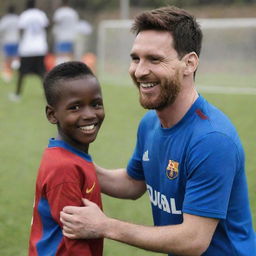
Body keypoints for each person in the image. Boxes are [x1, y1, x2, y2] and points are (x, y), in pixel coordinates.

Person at [60, 6, 256, 256]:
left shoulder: (212, 139)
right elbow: (134, 183)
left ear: (189, 63)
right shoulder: (150, 123)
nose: (139, 71)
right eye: (135, 58)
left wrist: (105, 226)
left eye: (155, 59)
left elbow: (193, 240)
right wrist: (74, 163)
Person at [28, 61, 105, 255]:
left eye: (96, 104)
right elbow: (75, 237)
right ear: (52, 115)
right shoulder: (64, 167)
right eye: (75, 107)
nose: (89, 114)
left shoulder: (68, 156)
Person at [9, 0, 49, 102]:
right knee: (42, 72)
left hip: (27, 48)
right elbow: (46, 27)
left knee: (22, 73)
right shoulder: (41, 14)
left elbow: (20, 30)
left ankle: (17, 94)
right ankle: (49, 94)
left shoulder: (24, 15)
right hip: (40, 47)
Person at [52, 0, 79, 65]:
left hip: (61, 37)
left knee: (60, 55)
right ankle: (71, 68)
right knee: (70, 54)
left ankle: (60, 69)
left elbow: (56, 23)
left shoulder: (59, 12)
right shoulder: (73, 12)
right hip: (71, 36)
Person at [0, 4, 19, 82]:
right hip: (16, 40)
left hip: (7, 41)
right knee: (15, 58)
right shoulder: (17, 19)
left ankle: (8, 75)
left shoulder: (5, 19)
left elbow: (1, 30)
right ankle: (15, 73)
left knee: (7, 58)